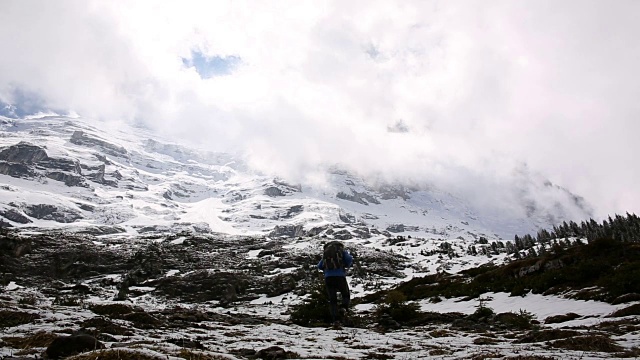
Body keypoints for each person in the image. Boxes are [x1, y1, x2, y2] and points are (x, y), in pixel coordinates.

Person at [317, 241, 353, 325]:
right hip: (340, 276)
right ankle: (343, 307)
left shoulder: (326, 254)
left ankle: (335, 320)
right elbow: (349, 259)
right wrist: (345, 265)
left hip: (328, 278)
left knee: (332, 299)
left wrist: (327, 271)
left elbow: (319, 266)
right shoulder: (341, 251)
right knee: (345, 294)